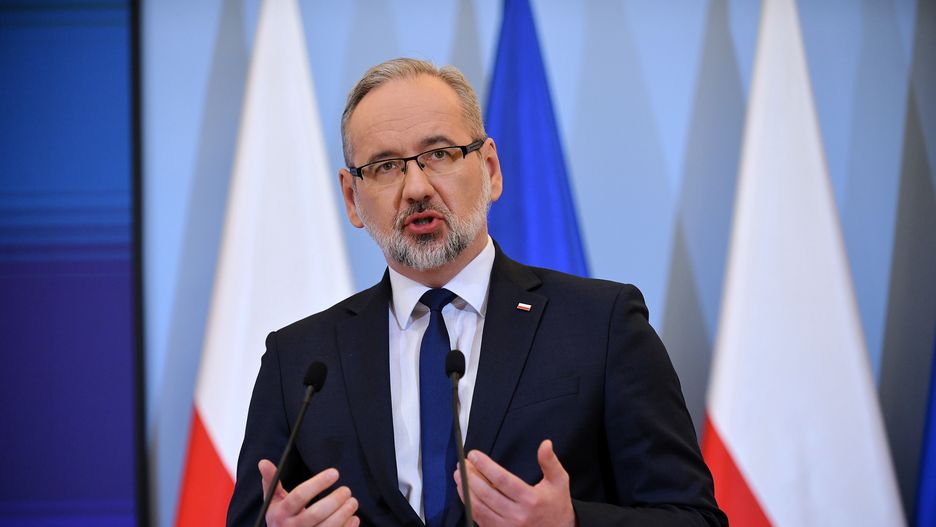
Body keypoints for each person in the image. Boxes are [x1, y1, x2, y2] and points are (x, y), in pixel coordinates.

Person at [227, 58, 727, 527]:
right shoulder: (298, 361)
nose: (416, 188)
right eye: (385, 166)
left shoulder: (601, 325)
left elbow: (694, 517)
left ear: (490, 169)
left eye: (439, 154)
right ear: (352, 198)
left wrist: (572, 522)